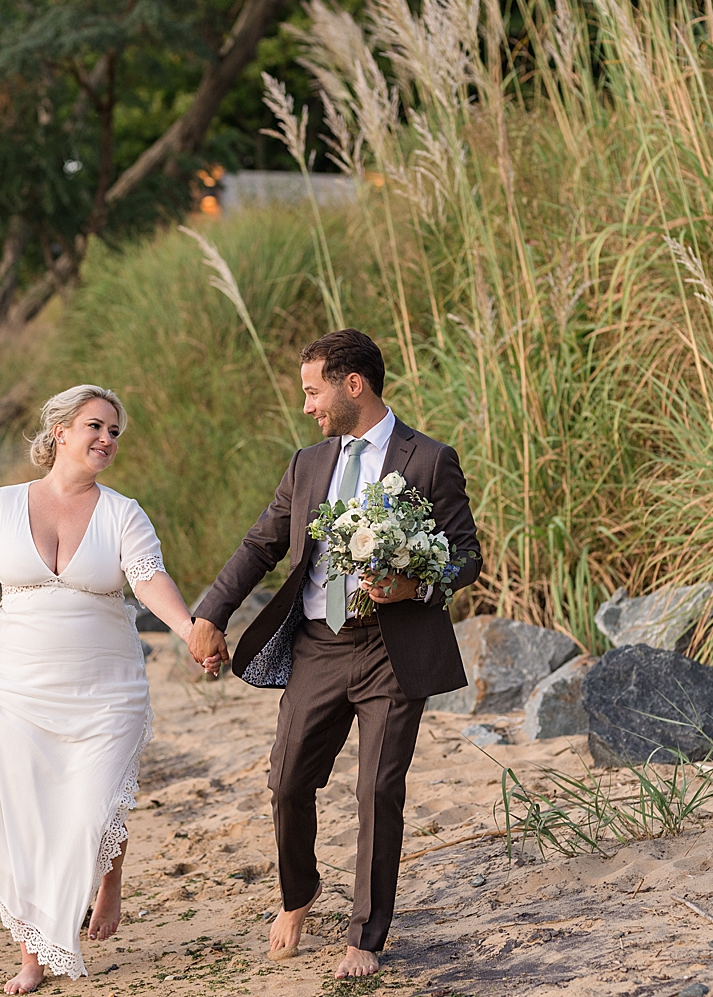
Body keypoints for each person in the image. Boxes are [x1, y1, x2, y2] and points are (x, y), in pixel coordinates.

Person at [187, 328, 482, 979]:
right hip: (318, 645)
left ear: (355, 385)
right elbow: (259, 544)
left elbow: (466, 557)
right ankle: (300, 893)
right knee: (288, 781)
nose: (307, 406)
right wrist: (209, 613)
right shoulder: (307, 464)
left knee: (379, 788)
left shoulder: (429, 460)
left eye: (313, 390)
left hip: (391, 647)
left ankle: (366, 936)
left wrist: (418, 584)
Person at [0, 385, 216, 995]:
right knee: (30, 821)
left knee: (91, 807)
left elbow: (148, 579)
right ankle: (34, 954)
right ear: (60, 430)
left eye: (115, 432)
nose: (107, 440)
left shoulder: (122, 512)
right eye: (96, 427)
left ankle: (108, 877)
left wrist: (190, 629)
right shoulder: (2, 505)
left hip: (107, 690)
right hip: (21, 690)